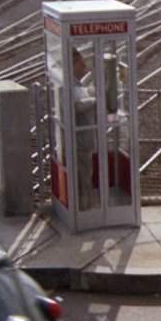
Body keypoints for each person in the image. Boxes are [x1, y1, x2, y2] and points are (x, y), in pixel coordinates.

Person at [72, 48, 97, 210]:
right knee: (84, 177)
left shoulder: (74, 83)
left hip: (82, 139)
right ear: (73, 65)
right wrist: (97, 100)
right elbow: (78, 105)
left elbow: (82, 90)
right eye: (81, 64)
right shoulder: (70, 86)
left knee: (86, 174)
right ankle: (85, 208)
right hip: (80, 140)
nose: (84, 67)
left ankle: (85, 205)